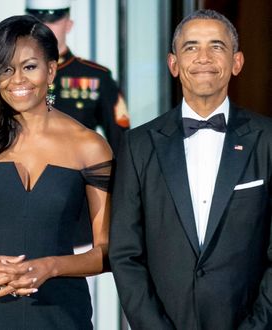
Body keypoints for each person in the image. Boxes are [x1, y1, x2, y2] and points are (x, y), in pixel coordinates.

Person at [0, 14, 113, 330]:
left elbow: (107, 252)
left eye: (29, 67)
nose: (17, 79)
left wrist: (50, 267)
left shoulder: (90, 147)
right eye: (6, 68)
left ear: (50, 71)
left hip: (59, 309)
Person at [109, 9, 272, 330]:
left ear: (237, 62)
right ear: (173, 64)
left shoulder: (267, 139)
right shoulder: (138, 145)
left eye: (217, 46)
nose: (203, 57)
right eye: (191, 47)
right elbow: (125, 253)